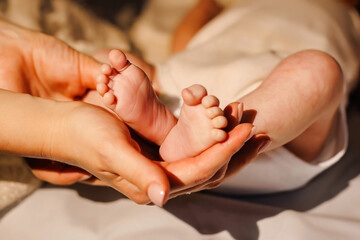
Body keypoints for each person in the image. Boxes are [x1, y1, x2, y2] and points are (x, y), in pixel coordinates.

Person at [0, 18, 269, 207]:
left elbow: (185, 40)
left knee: (105, 69)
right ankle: (164, 132)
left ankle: (162, 127)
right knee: (309, 69)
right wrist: (53, 132)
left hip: (183, 85)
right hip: (244, 108)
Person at [103, 0, 359, 194]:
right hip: (186, 91)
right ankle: (168, 131)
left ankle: (214, 135)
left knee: (318, 70)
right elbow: (185, 43)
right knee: (113, 64)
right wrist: (208, 6)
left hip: (271, 129)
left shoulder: (350, 16)